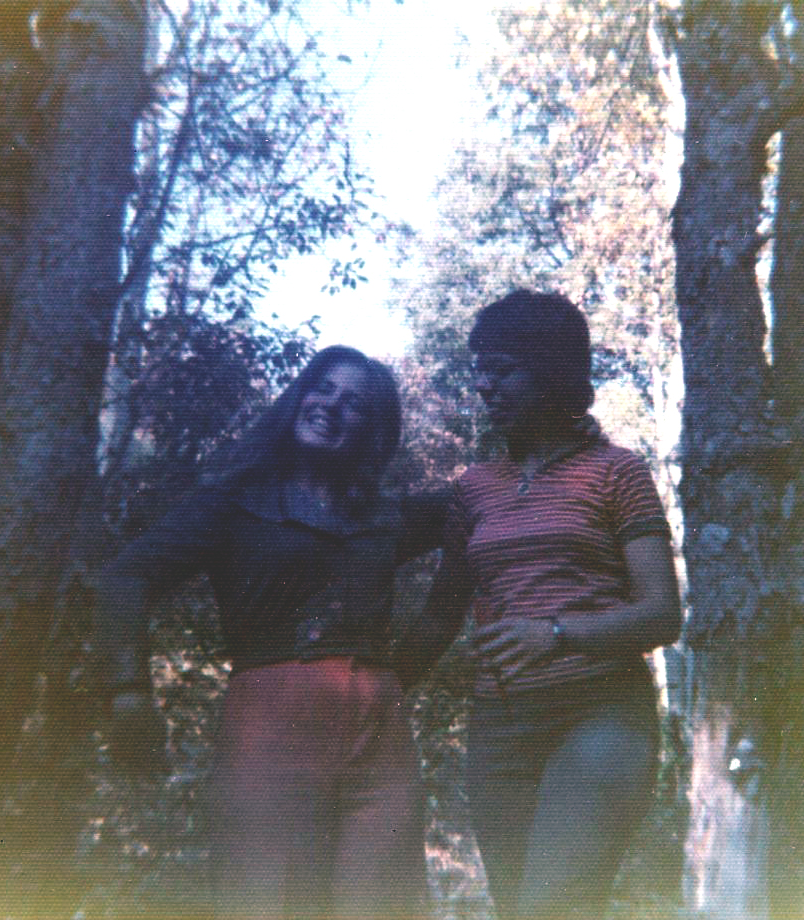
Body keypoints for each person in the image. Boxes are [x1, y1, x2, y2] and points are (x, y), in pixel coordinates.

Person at [93, 345, 446, 920]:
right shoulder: (231, 502)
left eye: (354, 403)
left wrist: (410, 662)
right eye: (323, 388)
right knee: (269, 901)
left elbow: (475, 513)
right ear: (298, 396)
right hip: (271, 728)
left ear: (373, 430)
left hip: (382, 740)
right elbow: (126, 577)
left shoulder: (386, 515)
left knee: (383, 906)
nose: (330, 405)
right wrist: (128, 692)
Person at [416, 290, 682, 920]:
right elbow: (440, 611)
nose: (483, 386)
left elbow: (662, 614)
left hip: (600, 716)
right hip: (499, 727)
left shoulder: (617, 471)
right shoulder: (474, 488)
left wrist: (556, 633)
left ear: (551, 371)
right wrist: (375, 684)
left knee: (553, 906)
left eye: (501, 369)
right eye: (479, 370)